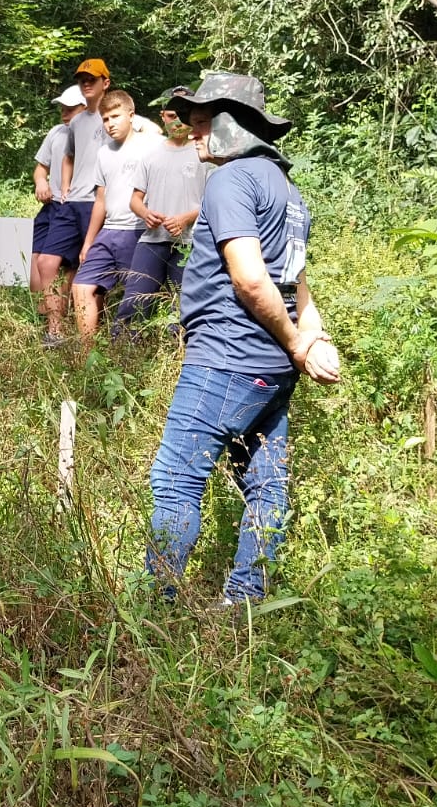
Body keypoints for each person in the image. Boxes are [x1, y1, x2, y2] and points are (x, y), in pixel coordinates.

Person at [146, 72, 341, 608]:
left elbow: (252, 280)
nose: (193, 133)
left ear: (235, 125)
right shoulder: (288, 191)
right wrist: (308, 339)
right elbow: (298, 283)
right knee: (266, 482)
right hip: (272, 369)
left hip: (227, 359)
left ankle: (155, 608)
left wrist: (300, 343)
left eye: (202, 122)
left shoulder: (231, 180)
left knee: (176, 479)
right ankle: (246, 601)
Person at [116, 90, 210, 330]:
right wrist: (146, 214)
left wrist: (186, 218)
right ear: (162, 117)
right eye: (170, 115)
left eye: (182, 115)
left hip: (189, 242)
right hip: (153, 239)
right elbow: (135, 200)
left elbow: (212, 200)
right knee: (135, 300)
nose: (177, 122)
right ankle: (125, 345)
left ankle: (179, 347)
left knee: (183, 304)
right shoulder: (151, 155)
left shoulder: (203, 153)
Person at [69, 89, 151, 343]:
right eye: (105, 119)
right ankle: (87, 353)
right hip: (109, 230)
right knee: (81, 286)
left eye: (116, 116)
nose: (110, 124)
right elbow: (100, 199)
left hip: (137, 229)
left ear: (131, 116)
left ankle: (132, 350)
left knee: (135, 295)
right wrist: (88, 241)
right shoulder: (104, 152)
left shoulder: (150, 147)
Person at [30, 87, 84, 347]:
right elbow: (41, 168)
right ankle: (47, 320)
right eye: (63, 108)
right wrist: (41, 182)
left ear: (85, 108)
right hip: (50, 207)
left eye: (71, 109)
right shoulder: (56, 132)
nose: (65, 113)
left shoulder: (95, 134)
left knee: (59, 266)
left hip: (73, 206)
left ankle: (58, 328)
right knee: (36, 267)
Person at [58, 59, 115, 253]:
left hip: (98, 199)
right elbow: (68, 156)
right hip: (74, 199)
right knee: (48, 260)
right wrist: (65, 186)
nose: (87, 84)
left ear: (105, 83)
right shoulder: (76, 122)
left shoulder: (115, 117)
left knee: (92, 257)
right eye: (82, 80)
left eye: (92, 79)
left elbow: (151, 130)